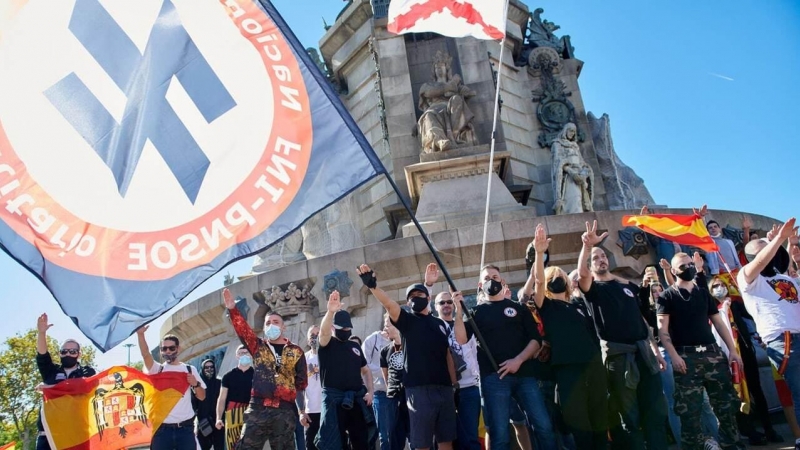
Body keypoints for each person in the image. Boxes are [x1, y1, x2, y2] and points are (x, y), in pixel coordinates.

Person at [576, 220, 668, 450]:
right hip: (619, 360)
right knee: (630, 417)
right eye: (595, 258)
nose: (601, 260)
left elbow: (642, 323)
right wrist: (587, 247)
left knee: (655, 411)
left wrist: (655, 351)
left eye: (603, 256)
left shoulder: (628, 287)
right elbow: (582, 274)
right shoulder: (593, 290)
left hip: (645, 356)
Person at [357, 263, 457, 450]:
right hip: (418, 391)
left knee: (446, 441)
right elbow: (388, 303)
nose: (415, 299)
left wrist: (454, 385)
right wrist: (372, 286)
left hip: (444, 389)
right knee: (421, 444)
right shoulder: (407, 321)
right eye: (411, 297)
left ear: (428, 298)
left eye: (419, 295)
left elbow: (447, 355)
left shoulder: (441, 324)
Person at [528, 224, 607, 449]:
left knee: (600, 418)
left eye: (560, 274)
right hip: (568, 370)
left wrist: (586, 246)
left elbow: (583, 276)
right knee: (580, 423)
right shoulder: (547, 306)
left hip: (593, 365)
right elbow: (540, 282)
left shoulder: (579, 304)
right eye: (554, 276)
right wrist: (540, 253)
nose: (558, 278)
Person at [657, 252, 744, 450]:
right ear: (673, 271)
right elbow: (663, 331)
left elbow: (719, 323)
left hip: (713, 354)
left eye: (690, 264)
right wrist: (674, 356)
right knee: (690, 412)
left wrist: (732, 350)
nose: (687, 268)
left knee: (726, 406)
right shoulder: (666, 296)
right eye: (682, 266)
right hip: (686, 358)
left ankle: (732, 444)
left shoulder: (703, 293)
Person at [470, 264, 557, 450]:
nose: (491, 281)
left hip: (525, 376)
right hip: (495, 378)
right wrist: (459, 309)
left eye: (494, 277)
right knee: (499, 433)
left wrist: (518, 361)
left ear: (502, 281)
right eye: (486, 278)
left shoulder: (519, 308)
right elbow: (461, 339)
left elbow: (535, 340)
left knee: (543, 426)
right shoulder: (475, 313)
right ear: (480, 284)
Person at [737, 218, 800, 449]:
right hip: (783, 341)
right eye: (763, 249)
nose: (770, 252)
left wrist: (791, 246)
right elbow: (761, 262)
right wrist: (778, 241)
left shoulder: (784, 278)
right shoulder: (747, 278)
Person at [221, 288, 308, 450]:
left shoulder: (296, 351)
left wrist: (302, 410)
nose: (271, 325)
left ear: (283, 328)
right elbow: (244, 331)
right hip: (258, 409)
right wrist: (233, 310)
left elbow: (301, 384)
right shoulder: (258, 346)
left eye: (276, 322)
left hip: (285, 410)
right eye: (268, 323)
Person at [709, 276, 783, 444]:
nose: (720, 288)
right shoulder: (712, 307)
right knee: (739, 392)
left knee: (756, 390)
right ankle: (750, 432)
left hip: (745, 352)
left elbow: (752, 312)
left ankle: (768, 428)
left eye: (722, 285)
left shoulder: (735, 305)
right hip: (728, 356)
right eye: (715, 286)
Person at [316, 290, 376, 450]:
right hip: (334, 401)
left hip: (356, 399)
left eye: (347, 328)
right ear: (334, 328)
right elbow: (323, 332)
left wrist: (370, 391)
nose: (345, 331)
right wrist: (330, 312)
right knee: (335, 443)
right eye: (341, 328)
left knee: (362, 441)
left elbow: (366, 371)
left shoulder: (354, 346)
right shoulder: (326, 344)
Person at [136, 326, 206, 450]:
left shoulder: (190, 370)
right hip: (162, 430)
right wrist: (140, 335)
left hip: (185, 430)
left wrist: (195, 384)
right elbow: (146, 355)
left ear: (178, 349)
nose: (168, 351)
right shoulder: (157, 370)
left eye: (171, 348)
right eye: (164, 348)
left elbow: (202, 396)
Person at [35, 313, 97, 450]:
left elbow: (83, 388)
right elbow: (42, 356)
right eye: (64, 351)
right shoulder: (51, 372)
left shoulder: (88, 372)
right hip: (48, 436)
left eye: (72, 351)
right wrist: (41, 333)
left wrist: (51, 387)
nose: (68, 354)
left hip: (77, 435)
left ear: (79, 354)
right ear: (59, 354)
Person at [435, 289, 482, 450]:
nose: (447, 304)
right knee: (447, 440)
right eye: (442, 302)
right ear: (435, 306)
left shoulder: (465, 325)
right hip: (444, 390)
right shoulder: (433, 327)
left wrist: (460, 309)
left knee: (470, 438)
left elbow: (467, 345)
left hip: (468, 387)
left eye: (449, 302)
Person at [380, 313, 411, 450]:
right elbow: (386, 376)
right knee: (393, 436)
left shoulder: (411, 345)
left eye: (387, 325)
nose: (385, 328)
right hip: (393, 399)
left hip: (411, 396)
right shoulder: (385, 351)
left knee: (417, 437)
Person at [215, 345, 254, 450]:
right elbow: (222, 398)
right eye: (241, 353)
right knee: (233, 445)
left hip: (252, 413)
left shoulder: (257, 375)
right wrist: (218, 418)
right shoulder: (228, 376)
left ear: (251, 355)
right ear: (237, 356)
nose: (244, 355)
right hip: (232, 414)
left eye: (246, 352)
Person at [362, 321, 391, 450]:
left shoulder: (402, 338)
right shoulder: (372, 340)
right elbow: (364, 365)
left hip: (402, 392)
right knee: (385, 435)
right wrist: (385, 371)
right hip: (381, 392)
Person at [300, 325, 323, 450]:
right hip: (311, 411)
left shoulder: (330, 356)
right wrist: (302, 412)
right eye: (312, 336)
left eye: (318, 334)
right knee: (311, 445)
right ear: (308, 340)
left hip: (328, 410)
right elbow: (299, 388)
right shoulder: (303, 359)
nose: (315, 338)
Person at [194, 359, 224, 450]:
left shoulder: (220, 383)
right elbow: (193, 405)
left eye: (211, 367)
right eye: (206, 367)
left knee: (219, 447)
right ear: (202, 369)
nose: (209, 369)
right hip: (203, 423)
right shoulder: (198, 386)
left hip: (218, 423)